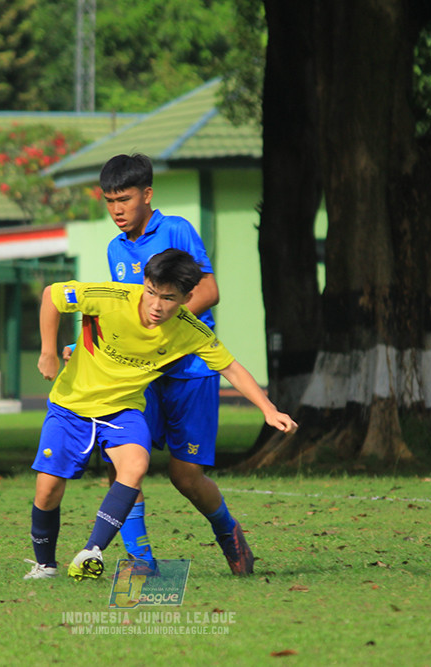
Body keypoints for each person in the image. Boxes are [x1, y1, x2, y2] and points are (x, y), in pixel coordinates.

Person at [25, 249, 297, 581]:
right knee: (48, 490)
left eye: (168, 298)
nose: (156, 305)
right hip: (70, 407)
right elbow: (52, 295)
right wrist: (48, 352)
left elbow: (231, 368)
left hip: (122, 410)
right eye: (151, 292)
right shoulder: (111, 297)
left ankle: (92, 551)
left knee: (136, 465)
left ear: (186, 298)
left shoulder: (190, 330)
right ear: (144, 282)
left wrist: (269, 410)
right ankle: (45, 566)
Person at [97, 153, 252, 576]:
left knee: (185, 477)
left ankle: (230, 535)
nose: (117, 210)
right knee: (122, 463)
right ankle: (141, 561)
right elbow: (126, 312)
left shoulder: (177, 230)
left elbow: (209, 291)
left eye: (125, 199)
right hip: (142, 373)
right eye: (110, 201)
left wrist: (162, 330)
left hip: (191, 372)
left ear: (147, 194)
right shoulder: (115, 249)